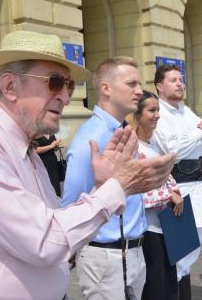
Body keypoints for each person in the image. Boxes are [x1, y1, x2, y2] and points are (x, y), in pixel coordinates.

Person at [0, 30, 176, 299]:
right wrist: (119, 186)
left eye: (69, 85)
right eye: (55, 82)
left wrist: (102, 186)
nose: (66, 97)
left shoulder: (26, 150)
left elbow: (55, 225)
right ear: (9, 86)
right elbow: (45, 241)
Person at [62, 56, 153, 299]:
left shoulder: (121, 130)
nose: (139, 91)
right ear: (106, 88)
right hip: (105, 257)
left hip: (131, 251)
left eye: (139, 84)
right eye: (131, 84)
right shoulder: (91, 137)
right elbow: (70, 205)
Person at [151, 64, 202, 299]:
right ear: (160, 86)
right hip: (179, 187)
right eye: (173, 80)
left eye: (181, 79)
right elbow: (174, 150)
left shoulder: (186, 110)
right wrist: (201, 127)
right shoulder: (158, 113)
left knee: (192, 252)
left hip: (199, 186)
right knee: (180, 255)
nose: (180, 83)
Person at [127, 90, 183, 300]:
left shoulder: (154, 145)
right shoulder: (131, 147)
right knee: (155, 287)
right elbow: (133, 192)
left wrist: (175, 190)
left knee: (168, 282)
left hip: (165, 225)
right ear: (137, 115)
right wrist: (168, 196)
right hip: (147, 230)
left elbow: (167, 178)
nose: (157, 115)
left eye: (158, 110)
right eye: (151, 110)